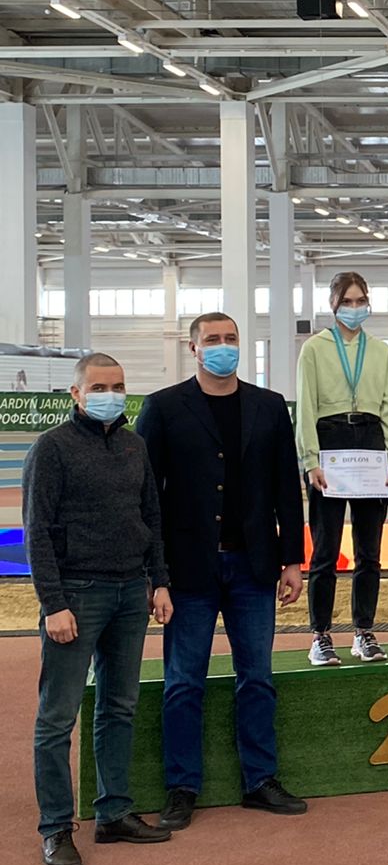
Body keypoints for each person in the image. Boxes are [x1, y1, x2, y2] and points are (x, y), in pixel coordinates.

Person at [134, 315, 308, 833]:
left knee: (257, 677)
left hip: (254, 566)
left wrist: (292, 560)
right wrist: (156, 574)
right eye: (213, 340)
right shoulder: (163, 408)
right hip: (188, 570)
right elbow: (148, 496)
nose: (223, 347)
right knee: (182, 682)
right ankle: (182, 786)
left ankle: (260, 780)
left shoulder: (269, 407)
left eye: (231, 339)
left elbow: (286, 487)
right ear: (193, 348)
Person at [27, 353, 174, 865]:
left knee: (119, 707)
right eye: (98, 387)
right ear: (76, 393)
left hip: (131, 594)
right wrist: (54, 604)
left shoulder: (135, 446)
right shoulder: (51, 448)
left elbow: (150, 516)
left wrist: (160, 581)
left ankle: (113, 813)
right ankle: (55, 827)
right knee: (57, 717)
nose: (110, 395)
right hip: (77, 594)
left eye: (117, 386)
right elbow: (37, 531)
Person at [297, 271, 388, 667]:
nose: (355, 308)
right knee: (325, 550)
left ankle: (364, 631)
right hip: (329, 443)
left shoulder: (381, 352)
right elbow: (305, 406)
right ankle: (320, 635)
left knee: (369, 551)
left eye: (361, 301)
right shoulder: (314, 348)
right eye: (348, 301)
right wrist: (310, 460)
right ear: (333, 304)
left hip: (371, 444)